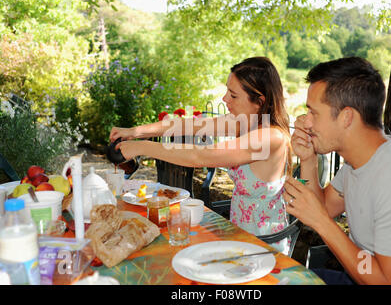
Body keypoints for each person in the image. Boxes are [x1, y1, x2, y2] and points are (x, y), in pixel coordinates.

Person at [109, 56, 294, 254]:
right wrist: (135, 132)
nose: (225, 99)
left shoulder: (271, 137)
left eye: (233, 95)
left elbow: (201, 156)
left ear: (259, 101)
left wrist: (142, 148)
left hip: (263, 244)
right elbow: (185, 125)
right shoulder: (245, 121)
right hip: (240, 233)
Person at [284, 56, 391, 285]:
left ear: (347, 117)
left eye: (313, 113)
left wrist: (322, 223)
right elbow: (325, 207)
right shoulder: (357, 161)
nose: (305, 122)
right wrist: (308, 159)